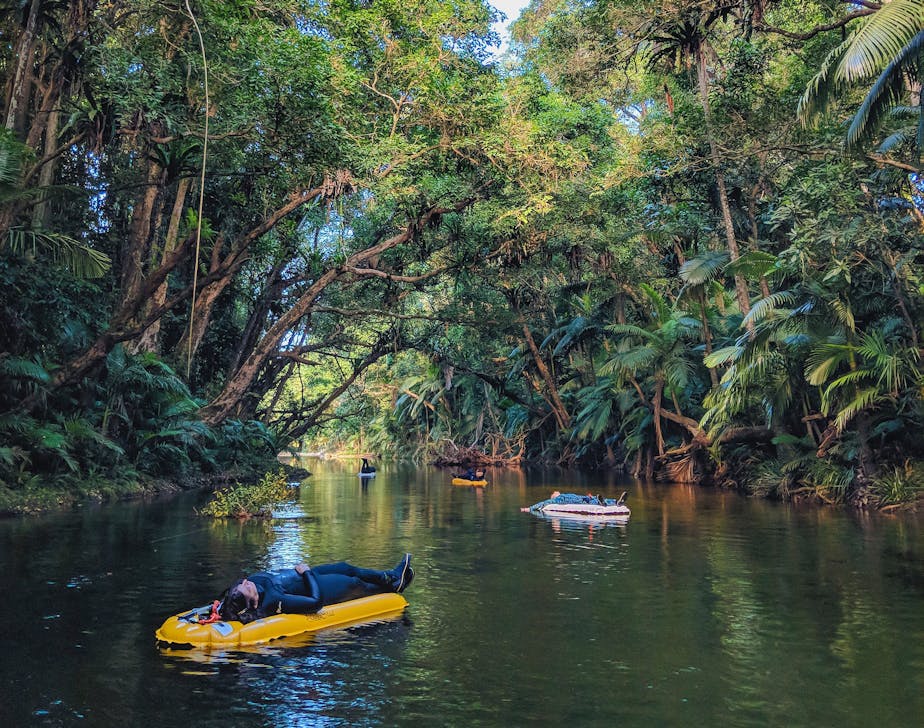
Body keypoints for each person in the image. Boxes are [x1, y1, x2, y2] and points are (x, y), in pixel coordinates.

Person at [219, 554, 414, 623]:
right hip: (314, 585)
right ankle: (392, 588)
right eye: (246, 588)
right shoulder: (273, 599)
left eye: (243, 583)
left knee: (347, 568)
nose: (246, 582)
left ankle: (392, 577)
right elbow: (315, 603)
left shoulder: (243, 589)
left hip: (307, 575)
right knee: (354, 583)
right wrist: (306, 573)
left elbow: (227, 599)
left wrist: (218, 609)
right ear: (252, 603)